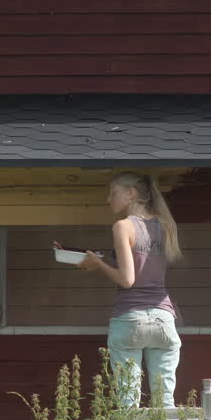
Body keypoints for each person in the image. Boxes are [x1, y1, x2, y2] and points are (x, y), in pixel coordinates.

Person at [76, 172, 183, 408]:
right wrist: (104, 261)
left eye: (113, 193)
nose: (108, 199)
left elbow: (127, 279)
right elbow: (145, 266)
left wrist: (98, 264)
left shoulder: (123, 226)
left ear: (131, 194)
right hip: (163, 318)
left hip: (131, 316)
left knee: (128, 401)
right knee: (165, 402)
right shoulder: (165, 224)